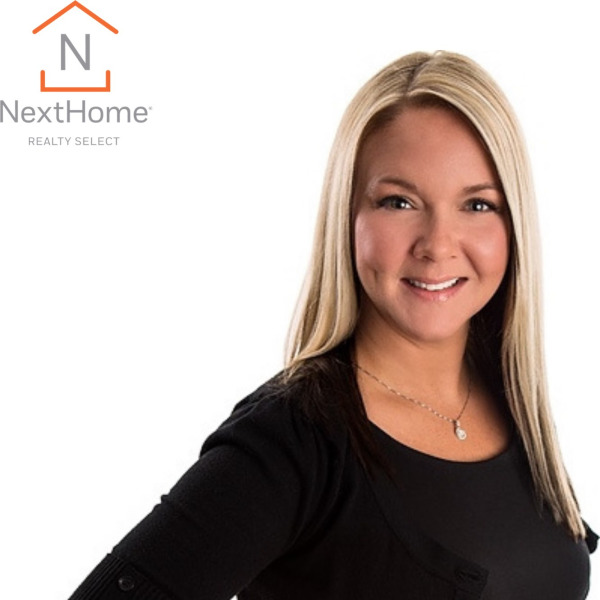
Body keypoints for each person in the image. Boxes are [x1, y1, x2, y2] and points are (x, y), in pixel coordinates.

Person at [68, 51, 596, 600]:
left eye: (478, 206)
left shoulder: (512, 402)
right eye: (399, 202)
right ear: (347, 217)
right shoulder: (294, 440)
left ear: (515, 224)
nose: (438, 245)